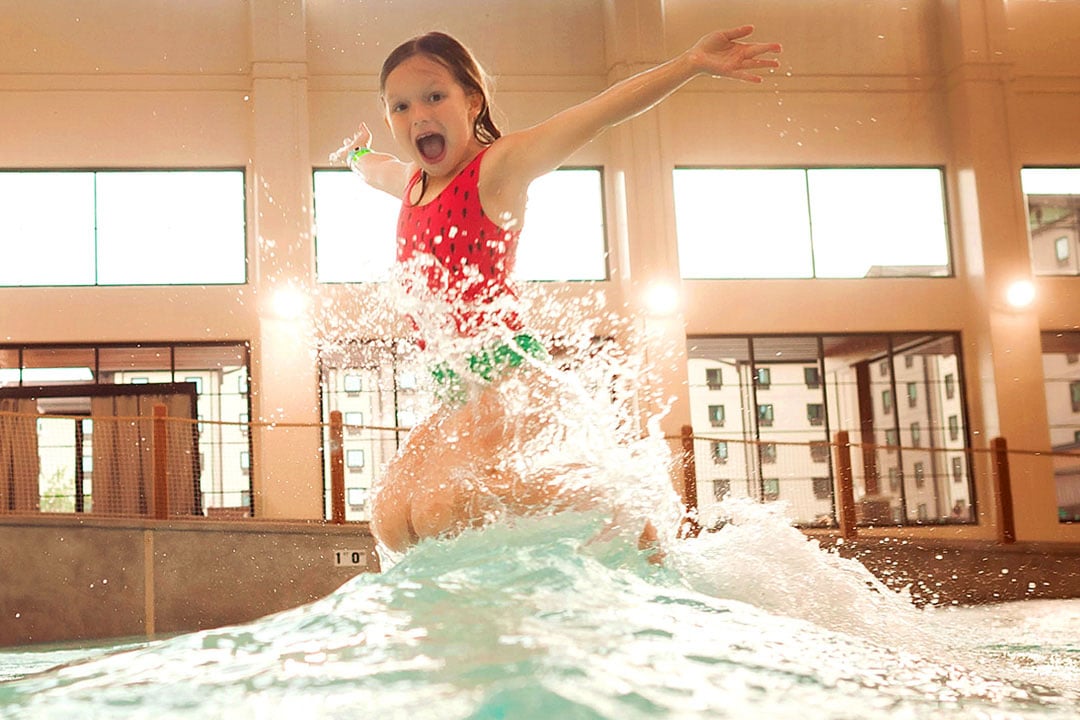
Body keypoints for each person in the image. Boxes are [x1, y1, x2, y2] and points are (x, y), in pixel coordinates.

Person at [348, 26, 782, 554]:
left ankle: (613, 508)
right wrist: (355, 156)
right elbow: (374, 169)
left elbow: (598, 112)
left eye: (435, 96)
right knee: (391, 521)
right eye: (399, 107)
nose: (418, 116)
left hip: (505, 374)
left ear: (472, 100)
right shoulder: (412, 184)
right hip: (450, 385)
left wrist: (690, 62)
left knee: (442, 506)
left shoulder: (498, 168)